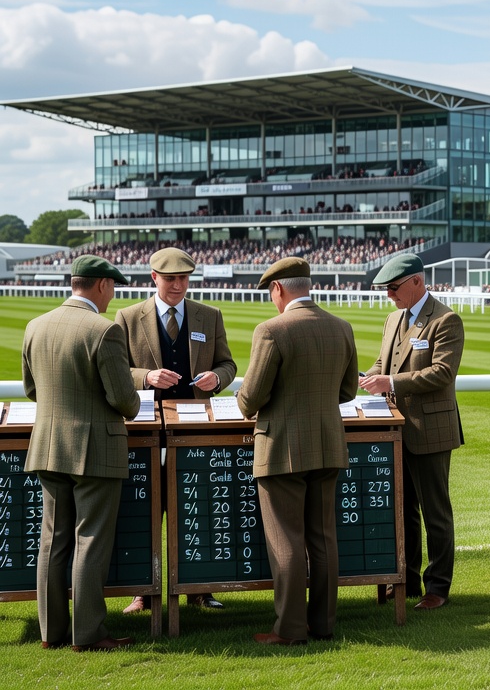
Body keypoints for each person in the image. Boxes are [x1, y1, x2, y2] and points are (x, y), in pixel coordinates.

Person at [21, 255, 142, 651]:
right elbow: (125, 401)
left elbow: (31, 390)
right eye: (113, 288)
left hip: (48, 445)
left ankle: (51, 632)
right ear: (102, 285)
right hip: (95, 450)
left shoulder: (35, 326)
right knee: (90, 540)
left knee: (52, 542)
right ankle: (87, 635)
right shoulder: (103, 331)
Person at [236, 258, 359, 645]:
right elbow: (348, 392)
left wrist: (245, 400)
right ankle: (323, 625)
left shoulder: (271, 330)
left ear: (278, 290)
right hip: (327, 443)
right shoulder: (342, 327)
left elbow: (250, 398)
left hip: (281, 447)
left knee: (285, 540)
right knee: (323, 539)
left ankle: (288, 630)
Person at [114, 247, 236, 613]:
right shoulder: (127, 317)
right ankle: (143, 592)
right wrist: (146, 377)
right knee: (146, 511)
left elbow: (228, 364)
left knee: (195, 507)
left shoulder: (209, 316)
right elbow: (118, 369)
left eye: (184, 279)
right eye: (170, 279)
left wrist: (218, 378)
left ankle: (201, 587)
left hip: (196, 429)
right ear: (154, 278)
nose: (178, 286)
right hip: (146, 429)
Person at [359, 255, 464, 610]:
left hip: (430, 429)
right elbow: (382, 363)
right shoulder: (393, 319)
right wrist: (364, 378)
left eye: (393, 287)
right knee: (401, 511)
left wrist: (390, 381)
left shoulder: (446, 320)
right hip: (395, 430)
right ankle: (405, 580)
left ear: (417, 282)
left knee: (435, 512)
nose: (389, 295)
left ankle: (438, 588)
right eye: (386, 289)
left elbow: (441, 373)